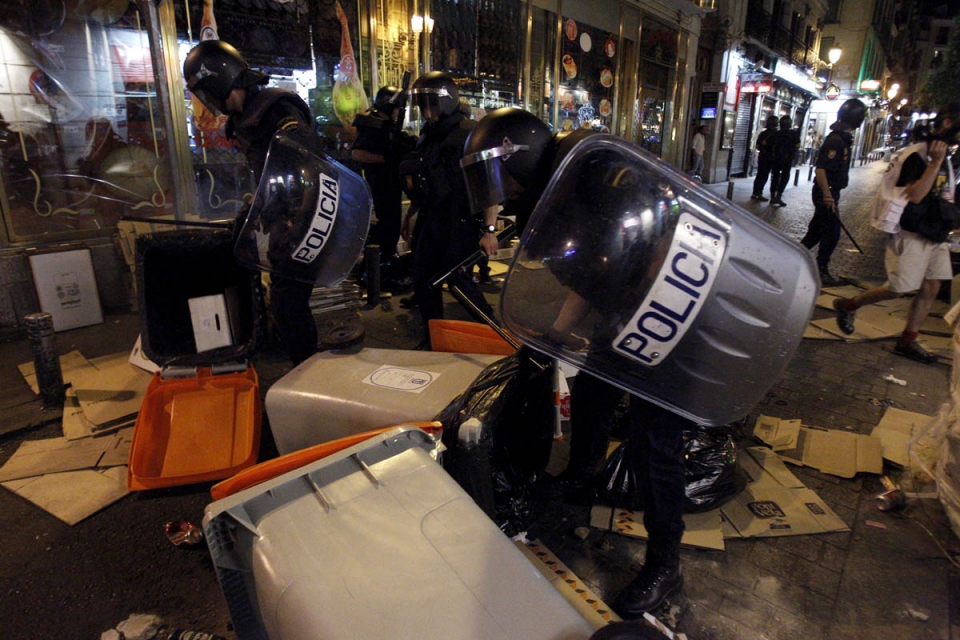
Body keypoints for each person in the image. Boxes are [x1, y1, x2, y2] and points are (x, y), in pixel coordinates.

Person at [463, 107, 686, 619]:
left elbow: (663, 233)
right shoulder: (564, 188)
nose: (505, 192)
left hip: (671, 315)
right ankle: (584, 473)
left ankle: (665, 563)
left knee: (656, 445)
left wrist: (648, 320)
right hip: (623, 310)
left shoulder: (600, 173)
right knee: (593, 391)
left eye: (503, 178)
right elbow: (592, 275)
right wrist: (560, 335)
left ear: (519, 161)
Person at [183, 39, 320, 366]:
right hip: (282, 218)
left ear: (220, 80)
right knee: (282, 300)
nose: (208, 100)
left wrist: (283, 216)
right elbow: (267, 179)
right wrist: (251, 212)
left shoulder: (276, 109)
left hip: (305, 217)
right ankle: (292, 358)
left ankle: (308, 373)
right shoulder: (244, 118)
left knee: (289, 304)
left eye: (207, 90)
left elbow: (304, 166)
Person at [833, 102, 960, 364]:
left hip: (935, 231)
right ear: (948, 124)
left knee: (932, 285)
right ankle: (848, 306)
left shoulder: (945, 156)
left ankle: (908, 340)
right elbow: (915, 196)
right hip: (911, 231)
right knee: (899, 289)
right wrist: (935, 163)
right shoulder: (918, 156)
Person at [406, 71, 495, 348]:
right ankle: (434, 337)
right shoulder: (427, 136)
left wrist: (489, 230)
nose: (426, 112)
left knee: (460, 283)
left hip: (460, 222)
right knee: (423, 281)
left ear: (446, 102)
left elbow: (488, 186)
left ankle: (495, 333)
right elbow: (425, 180)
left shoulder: (469, 134)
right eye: (422, 106)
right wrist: (411, 215)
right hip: (431, 219)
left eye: (431, 105)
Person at [351, 85, 415, 287]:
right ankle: (370, 274)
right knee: (385, 230)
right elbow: (357, 153)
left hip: (390, 184)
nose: (399, 111)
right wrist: (387, 158)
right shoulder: (373, 124)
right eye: (397, 107)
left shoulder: (387, 126)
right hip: (380, 185)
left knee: (390, 229)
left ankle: (381, 271)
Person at [799, 99, 867, 287]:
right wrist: (827, 196)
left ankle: (796, 258)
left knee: (817, 231)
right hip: (826, 192)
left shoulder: (841, 139)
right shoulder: (836, 141)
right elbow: (821, 170)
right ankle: (821, 270)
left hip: (829, 191)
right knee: (831, 232)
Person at [769, 115, 800, 207]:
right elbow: (797, 146)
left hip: (776, 158)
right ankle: (778, 195)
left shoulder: (776, 134)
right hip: (787, 159)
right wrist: (790, 153)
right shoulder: (794, 134)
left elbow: (769, 145)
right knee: (784, 177)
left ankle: (773, 196)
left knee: (775, 177)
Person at [751, 115, 779, 201]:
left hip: (762, 157)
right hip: (770, 157)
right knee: (764, 176)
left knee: (760, 175)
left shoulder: (762, 133)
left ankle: (755, 193)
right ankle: (759, 193)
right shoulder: (776, 134)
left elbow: (757, 146)